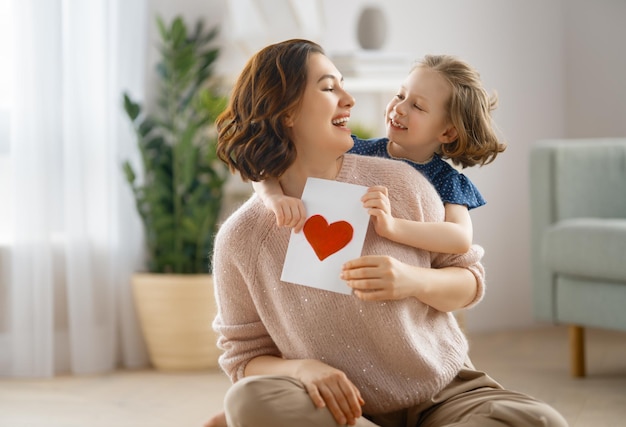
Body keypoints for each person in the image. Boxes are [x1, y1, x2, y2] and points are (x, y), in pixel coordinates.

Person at [206, 39, 567, 427]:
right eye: (330, 88)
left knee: (540, 421)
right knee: (251, 399)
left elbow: (468, 280)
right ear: (286, 112)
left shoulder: (405, 183)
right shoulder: (242, 239)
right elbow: (244, 359)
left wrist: (410, 280)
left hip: (441, 394)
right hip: (337, 407)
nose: (350, 100)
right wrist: (301, 370)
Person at [252, 54, 506, 255]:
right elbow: (267, 165)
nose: (399, 108)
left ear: (448, 133)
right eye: (400, 95)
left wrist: (393, 227)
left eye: (417, 106)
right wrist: (273, 197)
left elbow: (460, 239)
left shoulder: (446, 181)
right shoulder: (355, 150)